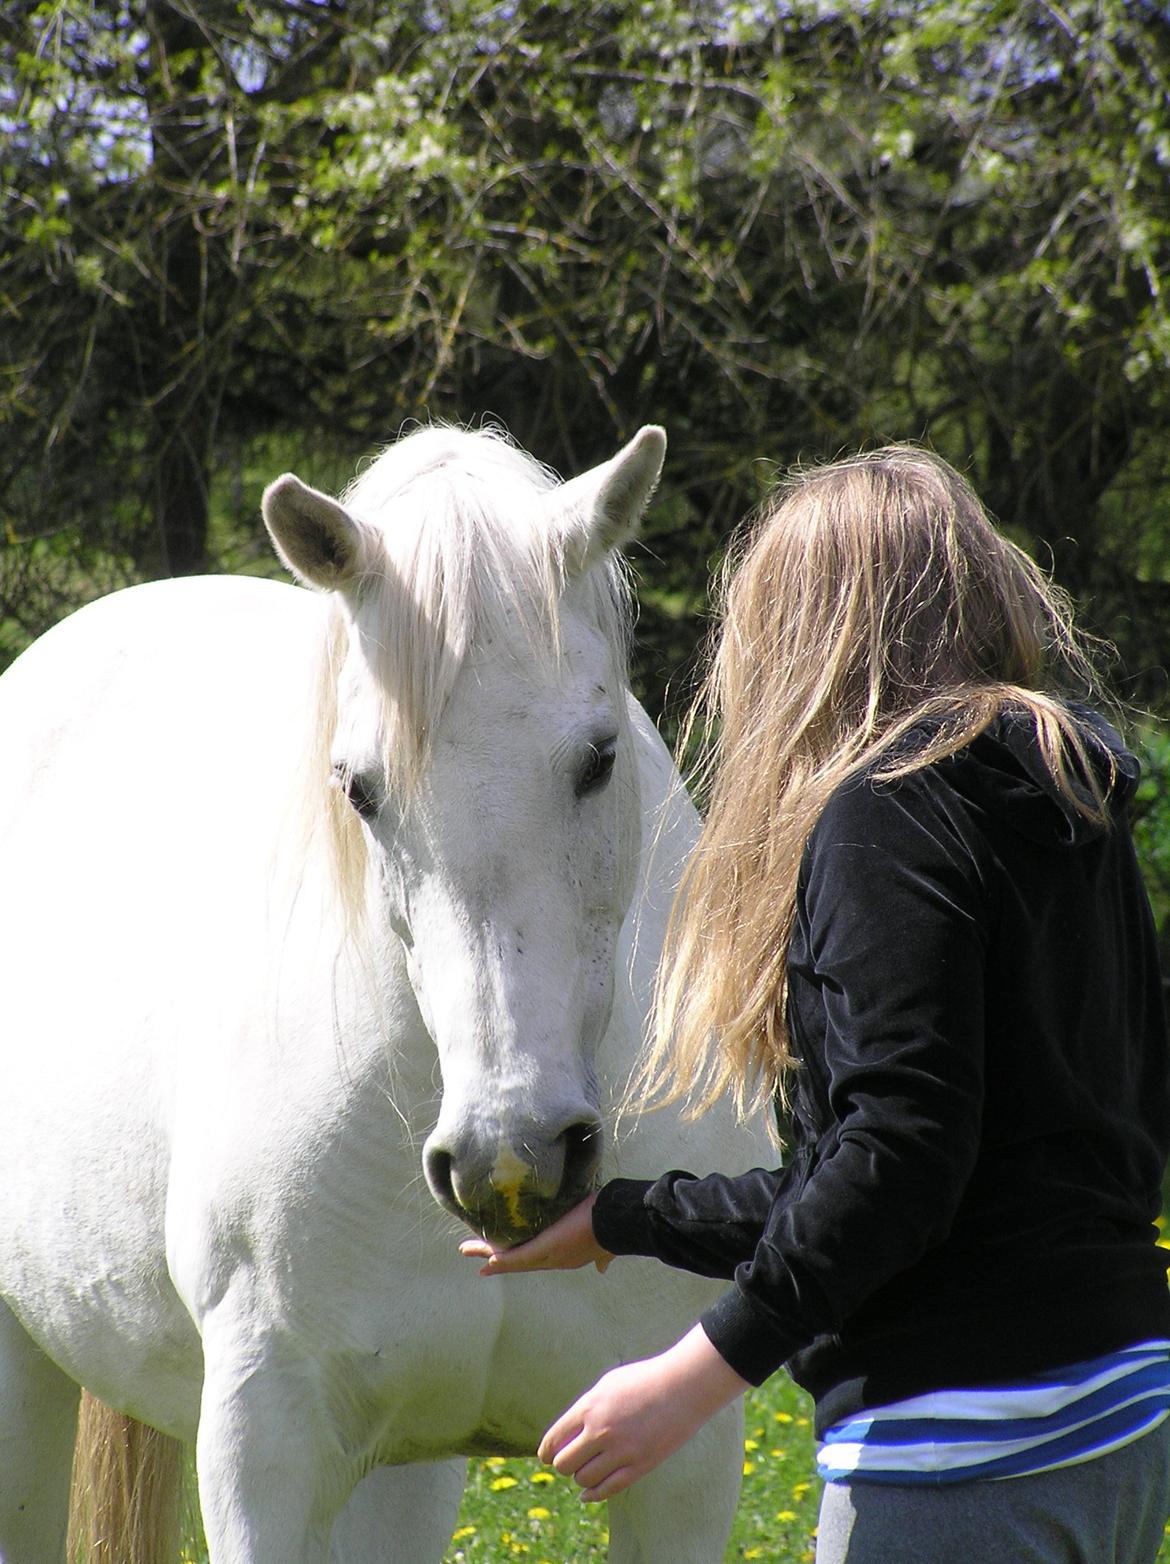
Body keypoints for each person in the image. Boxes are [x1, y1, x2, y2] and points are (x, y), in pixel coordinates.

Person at [460, 446, 1170, 1562]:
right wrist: (620, 1220)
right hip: (1119, 1418)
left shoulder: (888, 816)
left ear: (805, 635)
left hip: (962, 1451)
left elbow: (899, 1154)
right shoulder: (1071, 800)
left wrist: (693, 1376)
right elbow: (911, 1162)